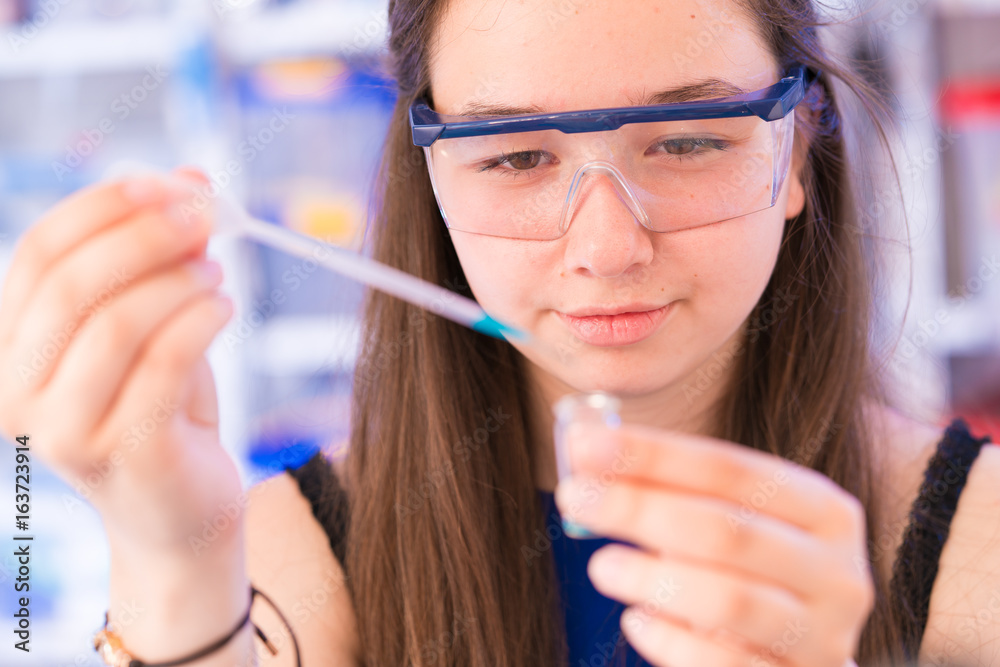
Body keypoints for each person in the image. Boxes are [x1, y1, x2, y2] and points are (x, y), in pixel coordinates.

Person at [0, 0, 997, 665]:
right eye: (514, 156)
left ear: (798, 154)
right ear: (428, 177)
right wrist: (171, 555)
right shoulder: (295, 543)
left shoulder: (976, 536)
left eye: (689, 141)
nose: (606, 247)